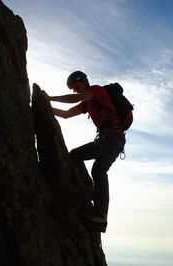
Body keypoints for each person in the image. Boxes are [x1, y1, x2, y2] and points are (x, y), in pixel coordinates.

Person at [42, 71, 126, 232]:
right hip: (102, 141)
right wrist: (45, 106)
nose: (76, 90)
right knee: (75, 155)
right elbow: (66, 115)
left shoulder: (96, 90)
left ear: (85, 81)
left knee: (99, 170)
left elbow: (77, 98)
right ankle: (91, 189)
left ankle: (101, 216)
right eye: (74, 88)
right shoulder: (87, 103)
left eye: (77, 86)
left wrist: (50, 98)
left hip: (114, 139)